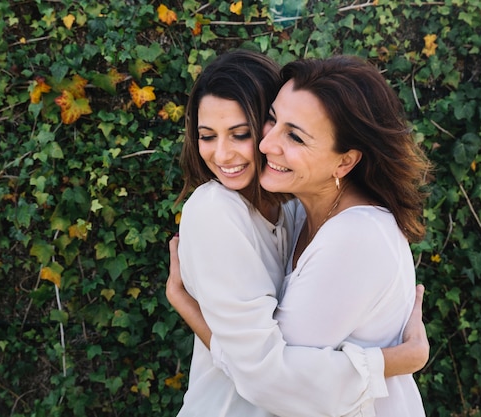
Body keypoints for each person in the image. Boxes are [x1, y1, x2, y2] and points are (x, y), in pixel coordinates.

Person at [168, 50, 429, 417]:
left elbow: (269, 378)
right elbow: (265, 374)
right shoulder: (235, 207)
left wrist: (187, 305)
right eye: (272, 121)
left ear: (345, 161)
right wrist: (396, 361)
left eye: (242, 132)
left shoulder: (334, 226)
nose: (266, 143)